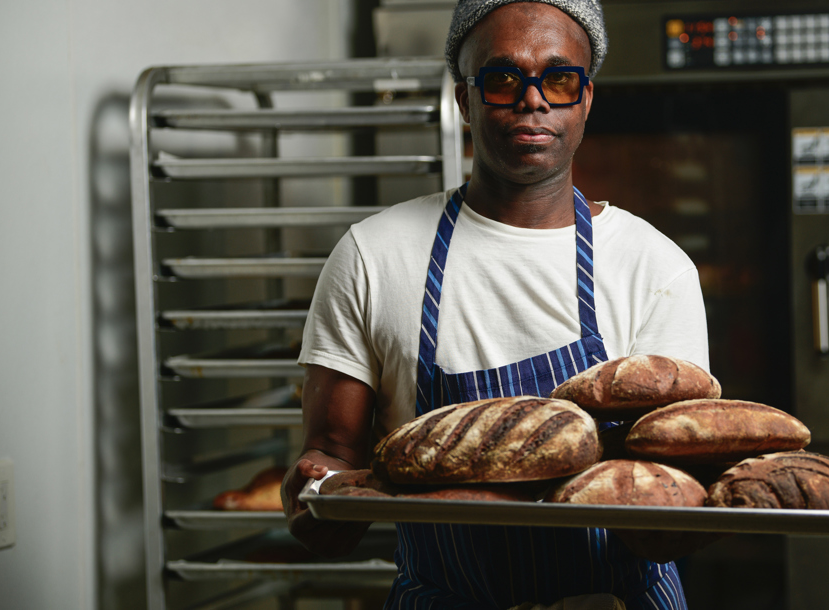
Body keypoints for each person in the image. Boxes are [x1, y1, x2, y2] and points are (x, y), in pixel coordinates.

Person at [282, 0, 712, 607]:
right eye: (503, 78)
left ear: (586, 99)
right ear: (464, 100)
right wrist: (316, 498)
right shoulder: (373, 257)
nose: (532, 99)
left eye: (559, 79)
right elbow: (326, 468)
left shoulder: (653, 266)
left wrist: (675, 511)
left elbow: (676, 485)